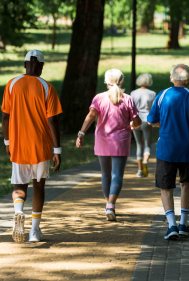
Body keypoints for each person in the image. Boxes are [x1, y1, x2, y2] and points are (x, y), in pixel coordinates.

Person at [1, 50, 63, 243]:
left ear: (25, 64)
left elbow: (5, 117)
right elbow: (52, 121)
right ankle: (35, 231)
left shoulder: (11, 84)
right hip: (41, 146)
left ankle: (19, 211)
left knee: (19, 185)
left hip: (19, 145)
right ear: (41, 66)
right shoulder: (46, 87)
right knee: (38, 186)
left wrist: (7, 142)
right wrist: (57, 150)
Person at [147, 64, 189, 240]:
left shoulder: (162, 95)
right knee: (186, 183)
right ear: (188, 80)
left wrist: (165, 124)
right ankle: (184, 223)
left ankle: (171, 225)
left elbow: (151, 121)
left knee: (165, 187)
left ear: (171, 78)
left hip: (166, 148)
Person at [76, 68, 141, 222]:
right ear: (121, 81)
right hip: (121, 141)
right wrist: (134, 125)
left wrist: (81, 133)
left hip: (102, 140)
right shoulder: (127, 99)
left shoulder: (99, 98)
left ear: (106, 81)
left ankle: (108, 204)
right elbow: (136, 121)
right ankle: (111, 204)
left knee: (105, 174)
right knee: (117, 174)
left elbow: (91, 116)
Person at [130, 73, 156, 178]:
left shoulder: (133, 93)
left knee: (138, 144)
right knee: (147, 144)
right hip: (147, 120)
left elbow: (130, 108)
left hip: (136, 120)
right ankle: (146, 161)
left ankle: (140, 169)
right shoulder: (152, 94)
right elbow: (154, 109)